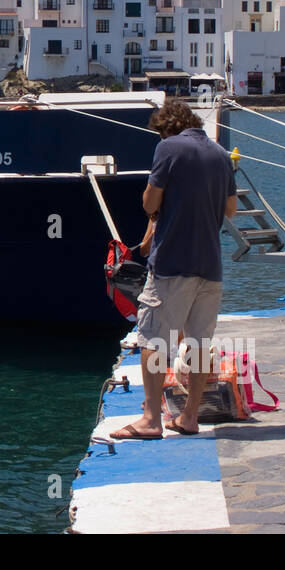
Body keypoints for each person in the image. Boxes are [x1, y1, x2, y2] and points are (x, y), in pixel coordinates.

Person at [110, 100, 237, 440]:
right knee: (197, 343)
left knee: (152, 339)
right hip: (210, 267)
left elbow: (150, 203)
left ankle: (151, 419)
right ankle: (190, 416)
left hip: (172, 264)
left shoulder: (168, 148)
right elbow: (231, 209)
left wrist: (161, 207)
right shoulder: (221, 155)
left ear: (168, 128)